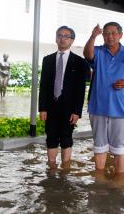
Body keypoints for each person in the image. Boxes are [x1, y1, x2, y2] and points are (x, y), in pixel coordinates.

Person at [83, 22, 124, 174]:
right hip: (98, 107)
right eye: (106, 33)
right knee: (99, 146)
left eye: (113, 33)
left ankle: (119, 181)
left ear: (120, 35)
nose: (109, 36)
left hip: (122, 109)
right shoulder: (98, 51)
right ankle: (99, 180)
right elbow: (87, 54)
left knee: (120, 148)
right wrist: (93, 36)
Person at [39, 26, 89, 170]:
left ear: (72, 40)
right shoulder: (47, 60)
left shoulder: (79, 61)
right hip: (50, 105)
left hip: (69, 107)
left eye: (66, 36)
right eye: (59, 35)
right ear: (56, 38)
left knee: (67, 137)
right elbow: (43, 86)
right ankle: (52, 168)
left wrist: (77, 111)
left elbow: (80, 89)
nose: (62, 38)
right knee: (51, 136)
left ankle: (65, 170)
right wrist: (42, 108)